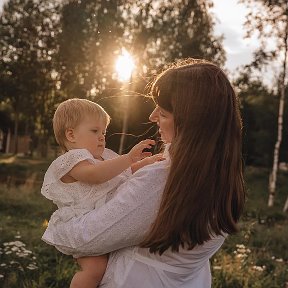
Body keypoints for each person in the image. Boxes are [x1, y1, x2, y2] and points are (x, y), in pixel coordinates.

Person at [46, 58, 245, 288]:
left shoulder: (161, 181)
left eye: (163, 111)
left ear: (189, 121)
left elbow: (85, 239)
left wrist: (58, 225)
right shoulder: (220, 177)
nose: (152, 116)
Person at [41, 98, 160, 288]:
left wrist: (145, 164)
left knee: (110, 267)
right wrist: (128, 158)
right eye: (95, 131)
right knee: (94, 270)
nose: (102, 137)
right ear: (71, 135)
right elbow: (95, 175)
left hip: (101, 219)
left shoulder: (104, 158)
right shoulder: (73, 159)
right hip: (80, 223)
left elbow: (123, 174)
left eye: (104, 132)